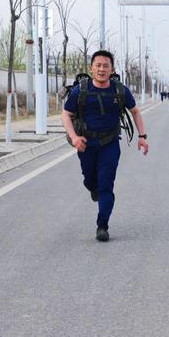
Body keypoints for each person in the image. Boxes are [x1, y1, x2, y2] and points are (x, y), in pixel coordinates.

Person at [61, 50, 149, 242]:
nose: (101, 69)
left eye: (105, 65)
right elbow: (66, 114)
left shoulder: (120, 90)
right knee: (90, 180)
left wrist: (142, 136)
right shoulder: (80, 90)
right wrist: (74, 137)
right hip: (86, 144)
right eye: (98, 65)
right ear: (92, 68)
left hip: (110, 143)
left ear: (112, 69)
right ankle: (93, 187)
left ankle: (102, 225)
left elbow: (135, 111)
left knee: (106, 185)